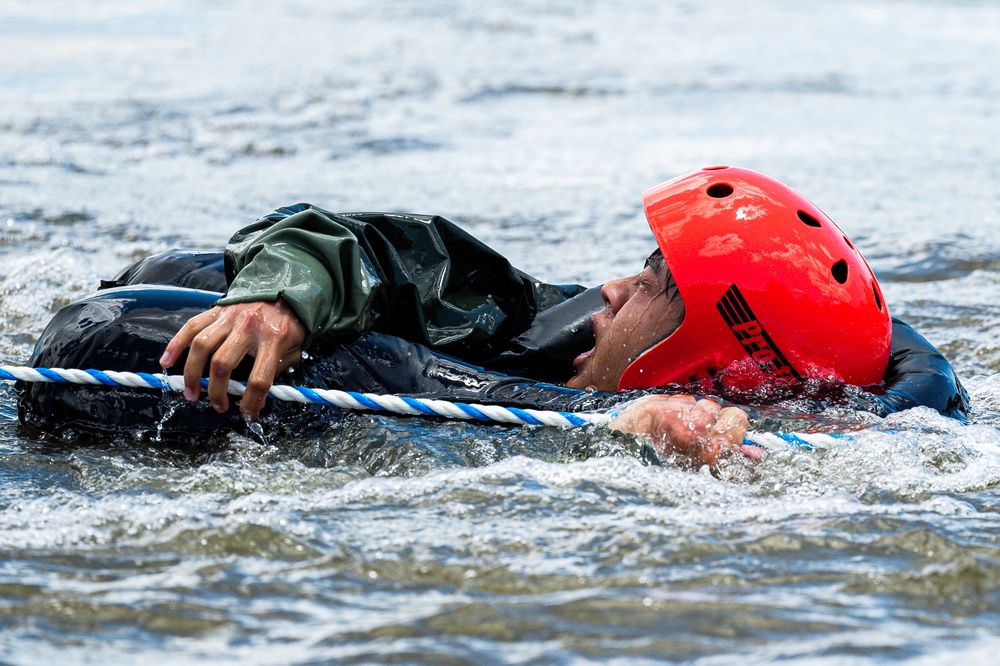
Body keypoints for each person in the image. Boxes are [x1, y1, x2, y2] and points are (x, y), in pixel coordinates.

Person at [18, 167, 969, 467]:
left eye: (648, 281)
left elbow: (914, 399)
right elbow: (77, 338)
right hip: (169, 304)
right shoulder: (501, 309)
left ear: (699, 370)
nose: (608, 289)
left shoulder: (753, 426)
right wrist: (280, 298)